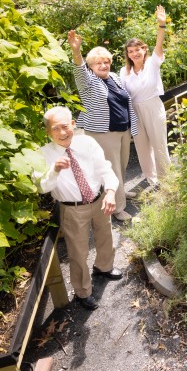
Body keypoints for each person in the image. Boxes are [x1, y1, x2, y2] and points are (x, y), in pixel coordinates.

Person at [34, 107, 123, 310]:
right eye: (56, 129)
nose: (63, 132)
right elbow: (41, 187)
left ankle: (104, 267)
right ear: (48, 132)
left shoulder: (87, 142)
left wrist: (109, 192)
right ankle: (83, 292)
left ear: (73, 124)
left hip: (99, 199)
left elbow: (105, 169)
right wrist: (54, 170)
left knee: (105, 235)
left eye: (65, 126)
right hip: (72, 209)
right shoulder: (43, 155)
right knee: (78, 251)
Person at [68, 30, 138, 222]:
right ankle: (118, 207)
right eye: (98, 63)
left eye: (106, 61)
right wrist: (76, 51)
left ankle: (120, 191)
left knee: (122, 164)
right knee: (113, 168)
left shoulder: (114, 77)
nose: (103, 65)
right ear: (91, 66)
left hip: (122, 129)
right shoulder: (88, 82)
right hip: (103, 133)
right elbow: (79, 70)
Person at [120, 5, 170, 187]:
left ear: (144, 49)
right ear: (127, 54)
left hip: (152, 105)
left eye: (137, 50)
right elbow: (122, 93)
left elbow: (159, 44)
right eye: (130, 51)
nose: (134, 54)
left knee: (159, 144)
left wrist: (161, 25)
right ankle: (152, 179)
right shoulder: (123, 71)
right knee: (141, 147)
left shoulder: (152, 63)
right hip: (134, 110)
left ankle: (167, 181)